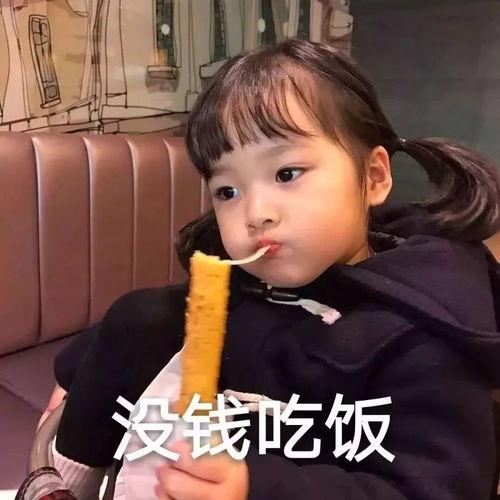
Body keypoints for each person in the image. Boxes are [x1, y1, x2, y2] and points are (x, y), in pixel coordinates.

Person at [47, 39, 500, 500]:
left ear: (374, 177)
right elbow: (147, 317)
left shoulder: (420, 337)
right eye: (227, 191)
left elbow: (434, 489)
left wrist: (256, 487)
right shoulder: (249, 283)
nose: (255, 213)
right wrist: (78, 378)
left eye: (286, 174)